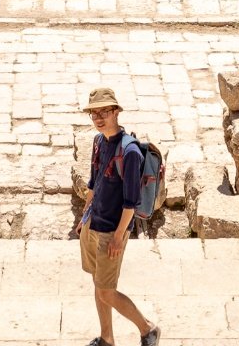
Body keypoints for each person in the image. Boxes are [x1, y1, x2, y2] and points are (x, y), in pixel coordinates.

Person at [77, 87, 160, 346]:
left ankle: (148, 329)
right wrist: (83, 218)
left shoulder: (130, 152)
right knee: (98, 285)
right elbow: (93, 182)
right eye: (94, 113)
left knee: (106, 291)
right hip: (93, 224)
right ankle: (107, 339)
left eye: (104, 111)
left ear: (116, 112)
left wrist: (118, 237)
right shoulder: (99, 141)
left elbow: (131, 202)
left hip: (111, 231)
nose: (99, 117)